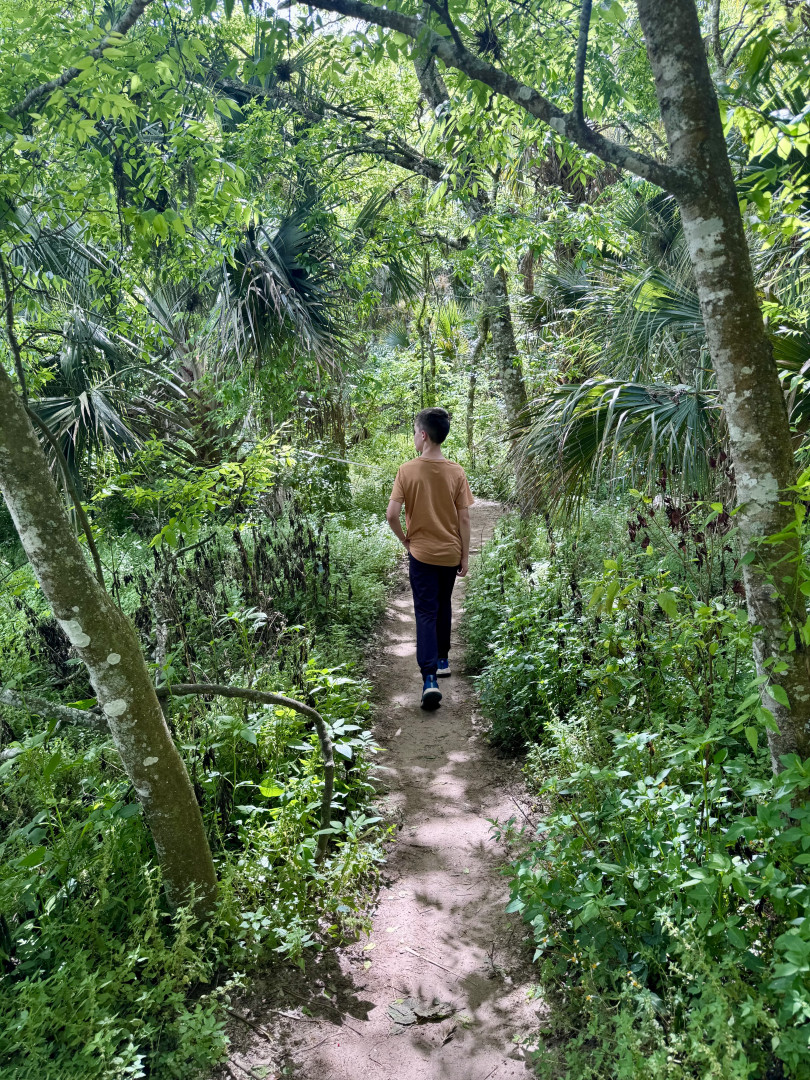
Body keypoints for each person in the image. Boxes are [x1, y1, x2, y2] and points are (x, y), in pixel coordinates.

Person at [385, 408, 474, 709]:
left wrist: (405, 540)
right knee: (443, 603)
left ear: (423, 435)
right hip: (450, 553)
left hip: (421, 554)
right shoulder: (456, 471)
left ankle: (430, 679)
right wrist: (465, 556)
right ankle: (443, 659)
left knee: (425, 611)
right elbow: (464, 519)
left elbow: (392, 515)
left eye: (414, 432)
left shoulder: (406, 470)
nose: (414, 437)